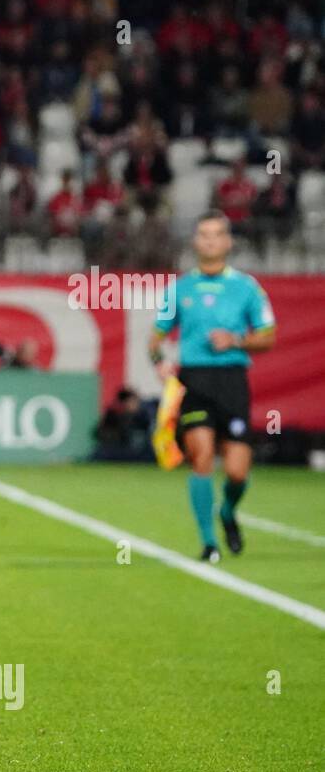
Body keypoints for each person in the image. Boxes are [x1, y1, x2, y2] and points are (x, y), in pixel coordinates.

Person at [148, 211, 276, 563]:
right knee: (201, 457)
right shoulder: (180, 289)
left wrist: (236, 340)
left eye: (217, 234)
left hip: (232, 381)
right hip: (195, 380)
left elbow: (268, 336)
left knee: (237, 471)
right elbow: (156, 337)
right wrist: (159, 362)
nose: (209, 240)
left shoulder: (246, 288)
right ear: (195, 241)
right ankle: (209, 543)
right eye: (203, 234)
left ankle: (228, 512)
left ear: (228, 241)